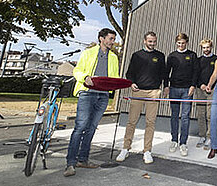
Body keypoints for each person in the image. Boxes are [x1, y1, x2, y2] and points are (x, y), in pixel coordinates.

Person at [64, 28, 119, 177]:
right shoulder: (88, 53)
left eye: (113, 39)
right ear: (101, 38)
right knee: (80, 126)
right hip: (87, 93)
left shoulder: (113, 57)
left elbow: (114, 77)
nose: (113, 42)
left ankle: (83, 159)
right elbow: (77, 70)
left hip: (103, 96)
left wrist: (119, 84)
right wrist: (85, 76)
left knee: (92, 128)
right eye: (110, 39)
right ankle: (70, 163)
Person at [116, 31, 167, 164]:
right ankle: (125, 148)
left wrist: (164, 87)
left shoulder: (160, 56)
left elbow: (164, 74)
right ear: (144, 41)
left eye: (154, 41)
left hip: (153, 92)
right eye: (150, 41)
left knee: (150, 122)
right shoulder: (137, 55)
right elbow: (129, 73)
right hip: (138, 92)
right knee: (132, 121)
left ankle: (147, 151)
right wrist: (131, 83)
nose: (152, 44)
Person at [164, 33, 199, 157]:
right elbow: (166, 72)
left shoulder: (192, 55)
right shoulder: (172, 56)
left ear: (187, 42)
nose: (181, 45)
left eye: (183, 43)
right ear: (176, 43)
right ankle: (174, 140)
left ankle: (183, 142)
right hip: (174, 89)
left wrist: (193, 85)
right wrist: (166, 86)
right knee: (174, 115)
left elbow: (196, 72)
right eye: (179, 43)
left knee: (185, 116)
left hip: (187, 90)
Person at [194, 39, 217, 150]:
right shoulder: (198, 60)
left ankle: (209, 137)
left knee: (210, 115)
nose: (206, 49)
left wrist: (210, 86)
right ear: (201, 48)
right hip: (200, 89)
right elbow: (195, 75)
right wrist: (201, 85)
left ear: (211, 47)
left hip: (213, 90)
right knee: (201, 114)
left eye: (208, 47)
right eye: (204, 47)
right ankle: (202, 136)